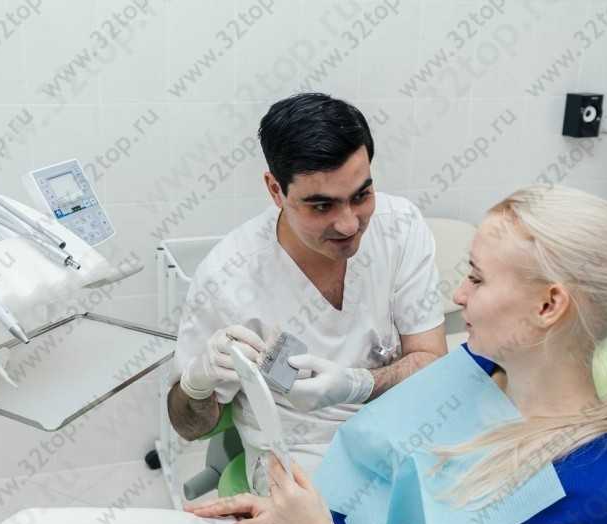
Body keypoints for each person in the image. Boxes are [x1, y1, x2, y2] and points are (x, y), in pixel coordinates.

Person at [188, 184, 607, 524]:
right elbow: (382, 487)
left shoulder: (583, 496)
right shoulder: (478, 368)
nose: (459, 294)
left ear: (548, 305)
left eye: (477, 279)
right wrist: (299, 516)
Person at [168, 93, 448, 494]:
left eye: (361, 196)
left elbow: (431, 360)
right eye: (321, 206)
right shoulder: (228, 275)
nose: (349, 224)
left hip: (402, 432)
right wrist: (197, 383)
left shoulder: (399, 227)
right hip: (299, 457)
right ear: (275, 190)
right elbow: (189, 426)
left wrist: (360, 384)